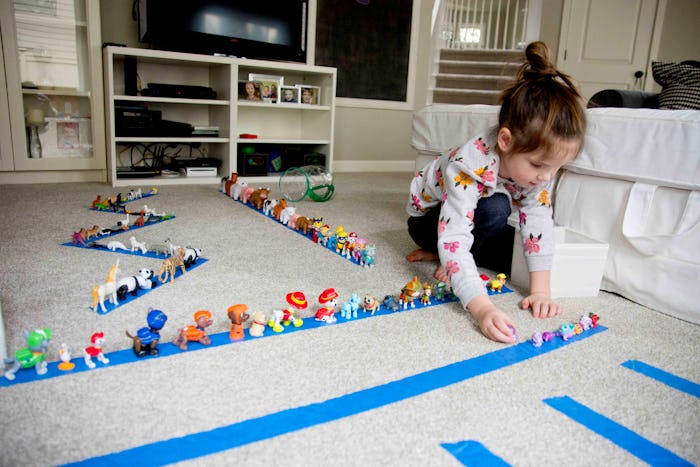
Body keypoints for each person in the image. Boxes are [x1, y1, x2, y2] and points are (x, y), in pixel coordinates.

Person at [405, 41, 587, 344]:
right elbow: (455, 233)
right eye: (539, 165)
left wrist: (541, 290)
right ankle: (442, 253)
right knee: (497, 208)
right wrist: (482, 309)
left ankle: (452, 258)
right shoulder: (468, 165)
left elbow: (538, 222)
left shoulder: (542, 170)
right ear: (505, 141)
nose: (546, 176)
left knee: (516, 254)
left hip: (470, 219)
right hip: (427, 221)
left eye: (555, 168)